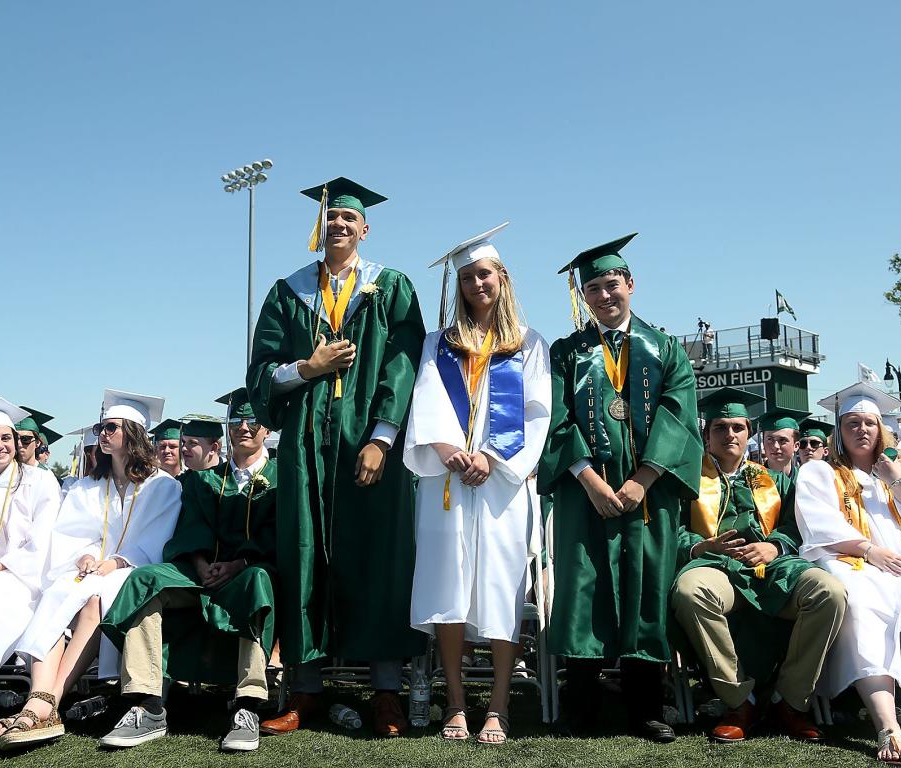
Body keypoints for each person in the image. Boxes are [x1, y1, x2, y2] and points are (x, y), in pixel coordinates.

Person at [247, 177, 426, 738]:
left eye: (349, 219)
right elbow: (259, 372)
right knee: (305, 558)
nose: (340, 226)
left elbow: (403, 364)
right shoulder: (287, 292)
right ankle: (305, 690)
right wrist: (309, 368)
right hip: (304, 446)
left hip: (370, 444)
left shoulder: (390, 287)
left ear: (364, 228)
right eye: (332, 219)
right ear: (319, 229)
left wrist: (381, 438)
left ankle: (388, 693)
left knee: (380, 558)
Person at [537, 234, 702, 742]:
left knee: (646, 588)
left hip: (648, 497)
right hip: (584, 491)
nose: (605, 296)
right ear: (582, 297)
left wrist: (642, 480)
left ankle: (646, 708)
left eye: (612, 285)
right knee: (582, 589)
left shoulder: (667, 348)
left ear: (631, 284)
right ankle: (580, 704)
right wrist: (588, 480)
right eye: (593, 289)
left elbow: (679, 417)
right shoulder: (567, 352)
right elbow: (555, 420)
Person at [405, 224, 551, 744]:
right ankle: (455, 702)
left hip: (502, 485)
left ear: (502, 277)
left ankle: (499, 705)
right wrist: (448, 451)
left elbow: (536, 413)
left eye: (483, 274)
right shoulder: (437, 345)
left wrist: (491, 457)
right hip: (445, 481)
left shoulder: (530, 345)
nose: (475, 284)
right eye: (466, 277)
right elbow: (426, 402)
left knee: (499, 589)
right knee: (448, 586)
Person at [0, 390, 181, 751]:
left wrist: (118, 561)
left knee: (97, 597)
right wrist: (83, 557)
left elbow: (157, 540)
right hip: (92, 569)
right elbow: (72, 534)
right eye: (100, 428)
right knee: (59, 593)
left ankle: (42, 705)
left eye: (110, 427)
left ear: (135, 432)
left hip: (134, 571)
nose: (102, 434)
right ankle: (43, 702)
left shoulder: (163, 486)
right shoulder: (89, 484)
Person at [100, 387, 276, 752]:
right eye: (236, 421)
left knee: (259, 581)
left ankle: (247, 705)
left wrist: (239, 563)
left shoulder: (282, 477)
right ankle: (147, 705)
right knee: (145, 578)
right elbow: (191, 528)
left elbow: (281, 537)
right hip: (200, 573)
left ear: (267, 429)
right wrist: (200, 563)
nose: (244, 427)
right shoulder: (201, 480)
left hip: (248, 573)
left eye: (253, 420)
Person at [671, 387, 846, 744]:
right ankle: (740, 700)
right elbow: (667, 531)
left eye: (738, 427)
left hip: (771, 569)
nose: (730, 434)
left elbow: (796, 527)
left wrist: (773, 546)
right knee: (691, 591)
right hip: (715, 566)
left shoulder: (776, 480)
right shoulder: (685, 481)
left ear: (750, 435)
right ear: (706, 434)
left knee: (829, 592)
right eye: (720, 427)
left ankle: (790, 700)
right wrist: (701, 544)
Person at [795, 382, 901, 766]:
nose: (861, 429)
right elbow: (819, 526)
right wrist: (871, 550)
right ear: (839, 433)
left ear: (882, 429)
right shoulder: (820, 473)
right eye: (851, 423)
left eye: (869, 423)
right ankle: (888, 726)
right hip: (855, 561)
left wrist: (899, 481)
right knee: (861, 603)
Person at [0, 398, 62, 680]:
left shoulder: (39, 481)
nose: (0, 445)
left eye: (6, 437)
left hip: (24, 577)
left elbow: (42, 542)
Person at [759, 408, 808, 484]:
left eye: (782, 440)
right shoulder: (752, 481)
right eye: (770, 439)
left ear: (796, 446)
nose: (775, 446)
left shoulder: (806, 481)